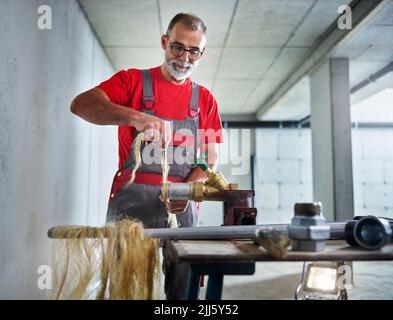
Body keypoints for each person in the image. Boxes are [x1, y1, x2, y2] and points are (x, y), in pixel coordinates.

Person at [70, 13, 223, 299]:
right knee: (125, 287)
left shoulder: (205, 101)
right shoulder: (132, 82)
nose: (184, 58)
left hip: (181, 207)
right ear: (165, 42)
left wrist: (189, 190)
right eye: (177, 47)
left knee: (182, 291)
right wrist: (135, 117)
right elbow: (81, 105)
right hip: (131, 205)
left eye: (194, 51)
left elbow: (209, 158)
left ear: (202, 52)